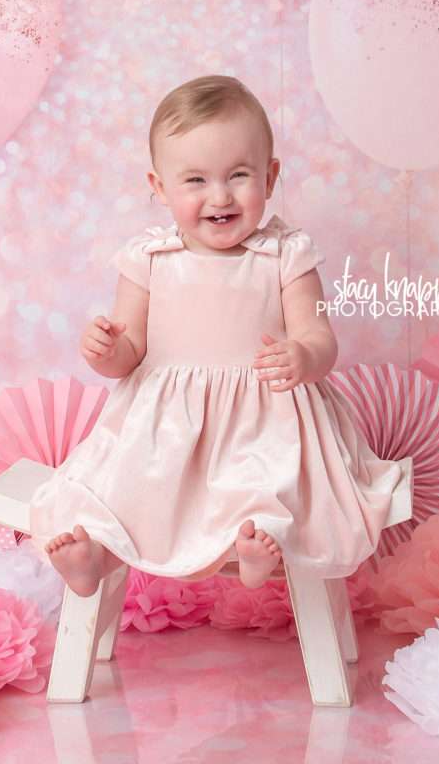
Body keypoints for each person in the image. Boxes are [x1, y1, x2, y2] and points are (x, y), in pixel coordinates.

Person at [27, 74, 405, 597]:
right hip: (166, 426)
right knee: (120, 482)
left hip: (264, 420)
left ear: (270, 178)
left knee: (264, 483)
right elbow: (130, 354)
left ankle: (253, 544)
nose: (220, 196)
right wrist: (109, 351)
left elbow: (321, 338)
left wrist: (303, 356)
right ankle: (96, 551)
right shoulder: (148, 259)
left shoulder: (285, 255)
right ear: (159, 187)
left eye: (239, 175)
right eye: (196, 180)